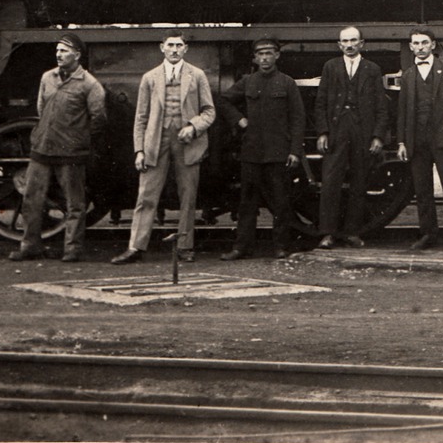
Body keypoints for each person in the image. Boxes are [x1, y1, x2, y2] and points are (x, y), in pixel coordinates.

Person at [111, 32, 217, 265]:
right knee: (146, 195)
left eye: (179, 45)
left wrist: (193, 126)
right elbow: (140, 118)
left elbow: (209, 111)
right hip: (155, 141)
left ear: (185, 49)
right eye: (170, 45)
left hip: (187, 142)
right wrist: (139, 150)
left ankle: (185, 247)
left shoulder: (197, 76)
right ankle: (135, 246)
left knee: (188, 196)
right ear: (162, 48)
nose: (175, 49)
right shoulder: (150, 78)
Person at [9, 32, 106, 263]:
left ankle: (72, 249)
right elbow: (42, 110)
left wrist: (77, 138)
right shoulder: (47, 78)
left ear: (77, 54)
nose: (58, 55)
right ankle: (30, 245)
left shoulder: (90, 85)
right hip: (42, 149)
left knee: (74, 203)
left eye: (64, 50)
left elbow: (99, 119)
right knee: (31, 199)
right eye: (57, 51)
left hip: (70, 153)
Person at [217, 38, 306, 260]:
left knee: (281, 202)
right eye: (260, 54)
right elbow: (223, 101)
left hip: (278, 153)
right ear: (255, 58)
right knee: (247, 203)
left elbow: (298, 119)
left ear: (277, 56)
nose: (265, 58)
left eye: (269, 53)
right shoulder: (247, 82)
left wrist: (294, 151)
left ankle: (281, 246)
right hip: (252, 153)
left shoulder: (287, 83)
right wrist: (239, 120)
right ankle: (242, 247)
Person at [395, 27, 443, 250]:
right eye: (416, 44)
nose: (420, 47)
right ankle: (428, 233)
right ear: (411, 47)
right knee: (422, 189)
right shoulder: (408, 75)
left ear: (433, 45)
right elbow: (402, 111)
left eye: (424, 43)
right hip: (417, 140)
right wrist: (401, 142)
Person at [312, 26, 388, 249]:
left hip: (362, 131)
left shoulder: (372, 69)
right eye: (345, 41)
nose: (349, 45)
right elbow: (321, 103)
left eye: (354, 40)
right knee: (330, 182)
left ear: (362, 43)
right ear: (339, 45)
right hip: (337, 130)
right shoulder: (330, 67)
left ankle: (352, 232)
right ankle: (327, 233)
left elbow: (382, 107)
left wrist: (377, 137)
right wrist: (323, 132)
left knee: (359, 183)